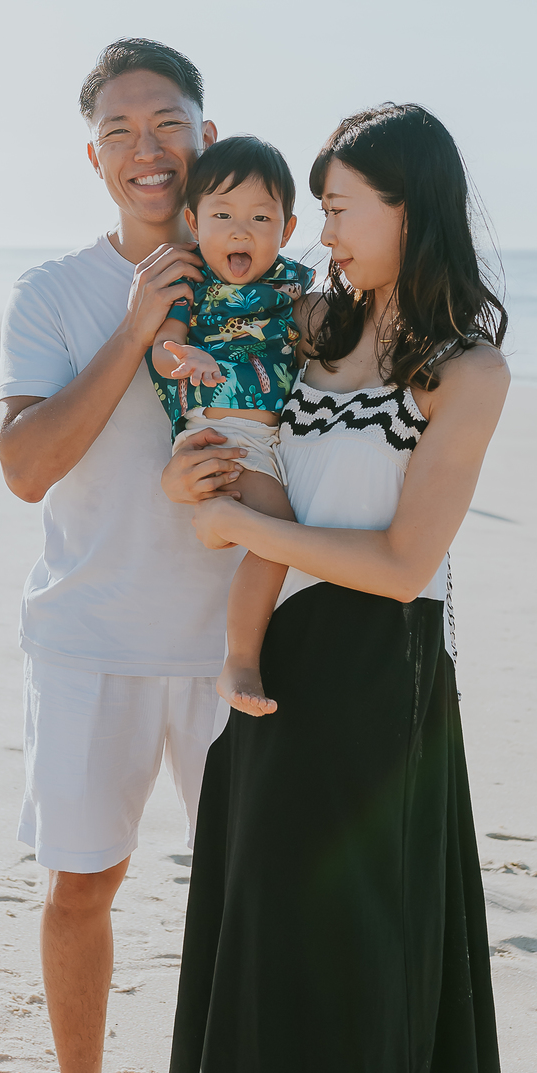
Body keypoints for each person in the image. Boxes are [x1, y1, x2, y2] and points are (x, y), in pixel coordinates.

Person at [159, 102, 512, 1073]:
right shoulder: (319, 327)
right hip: (287, 660)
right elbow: (275, 470)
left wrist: (239, 527)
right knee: (307, 953)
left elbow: (406, 563)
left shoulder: (467, 371)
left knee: (329, 957)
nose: (325, 229)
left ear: (412, 207)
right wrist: (207, 483)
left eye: (345, 205)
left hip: (378, 672)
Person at [0, 37, 249, 1073]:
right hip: (89, 639)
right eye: (122, 133)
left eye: (169, 123)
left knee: (252, 899)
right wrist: (136, 326)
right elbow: (25, 467)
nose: (150, 150)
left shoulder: (264, 277)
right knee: (82, 884)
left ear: (205, 134)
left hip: (235, 644)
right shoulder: (52, 294)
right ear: (93, 158)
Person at [146, 135, 315, 718]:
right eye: (222, 216)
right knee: (278, 535)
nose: (240, 232)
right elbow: (163, 348)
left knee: (275, 535)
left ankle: (220, 527)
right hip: (218, 434)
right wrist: (182, 358)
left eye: (260, 218)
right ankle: (241, 659)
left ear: (287, 229)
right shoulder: (190, 284)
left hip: (269, 444)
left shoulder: (294, 288)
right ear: (193, 222)